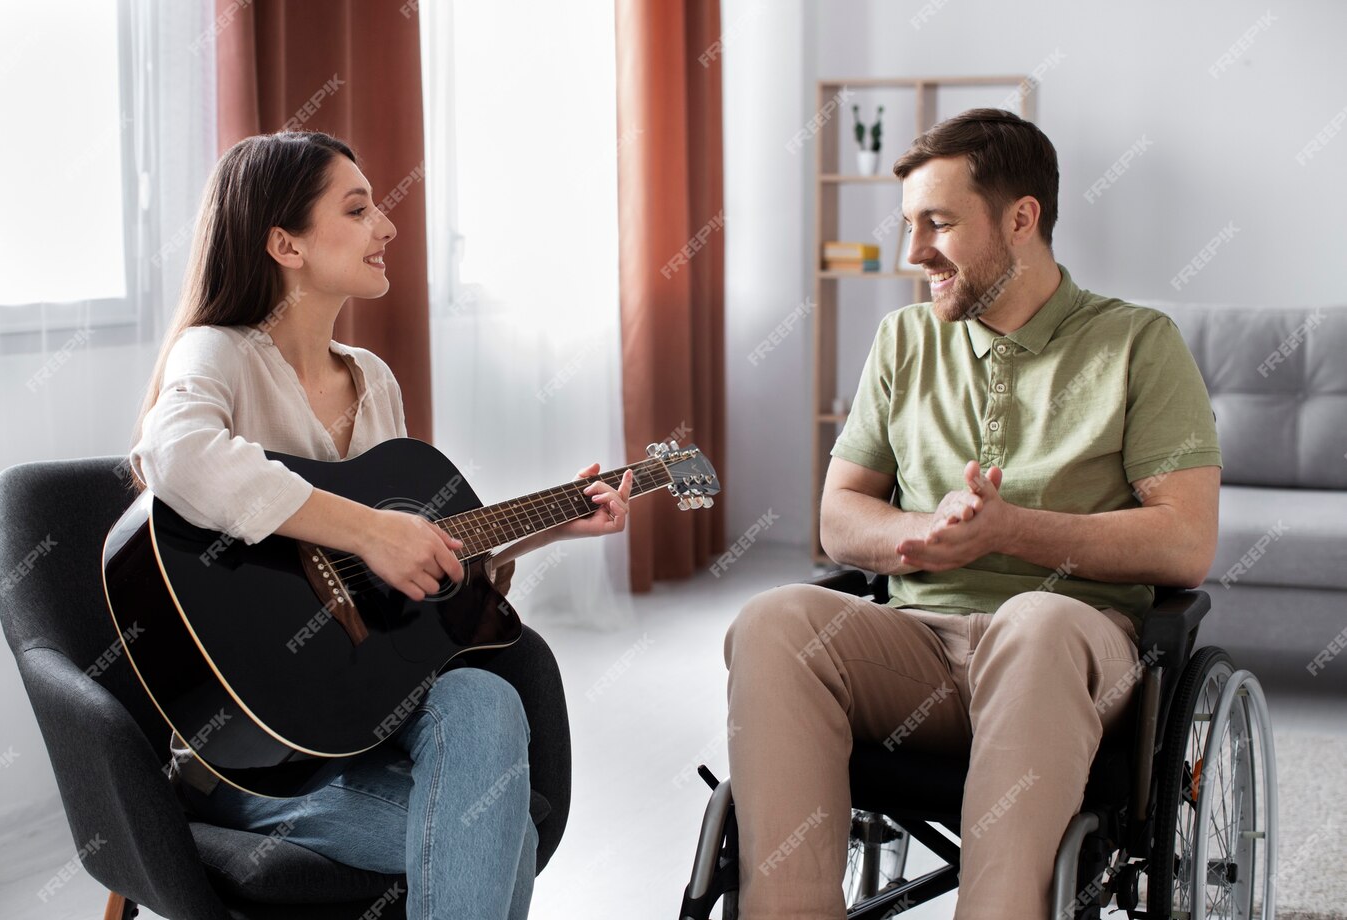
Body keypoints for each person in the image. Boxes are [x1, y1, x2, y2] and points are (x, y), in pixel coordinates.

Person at [724, 108, 1222, 920]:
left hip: (1074, 647)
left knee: (1037, 620)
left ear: (1021, 219)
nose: (912, 251)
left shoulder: (1138, 343)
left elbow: (1185, 542)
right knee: (774, 619)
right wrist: (919, 537)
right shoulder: (903, 342)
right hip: (920, 648)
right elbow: (840, 518)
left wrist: (1012, 530)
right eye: (909, 224)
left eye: (938, 223)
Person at [129, 130, 632, 920]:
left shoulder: (375, 381)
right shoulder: (218, 354)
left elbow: (419, 583)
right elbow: (177, 451)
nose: (388, 228)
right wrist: (366, 530)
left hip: (363, 718)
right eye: (358, 209)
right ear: (283, 242)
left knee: (482, 697)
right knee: (504, 835)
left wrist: (554, 527)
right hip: (254, 754)